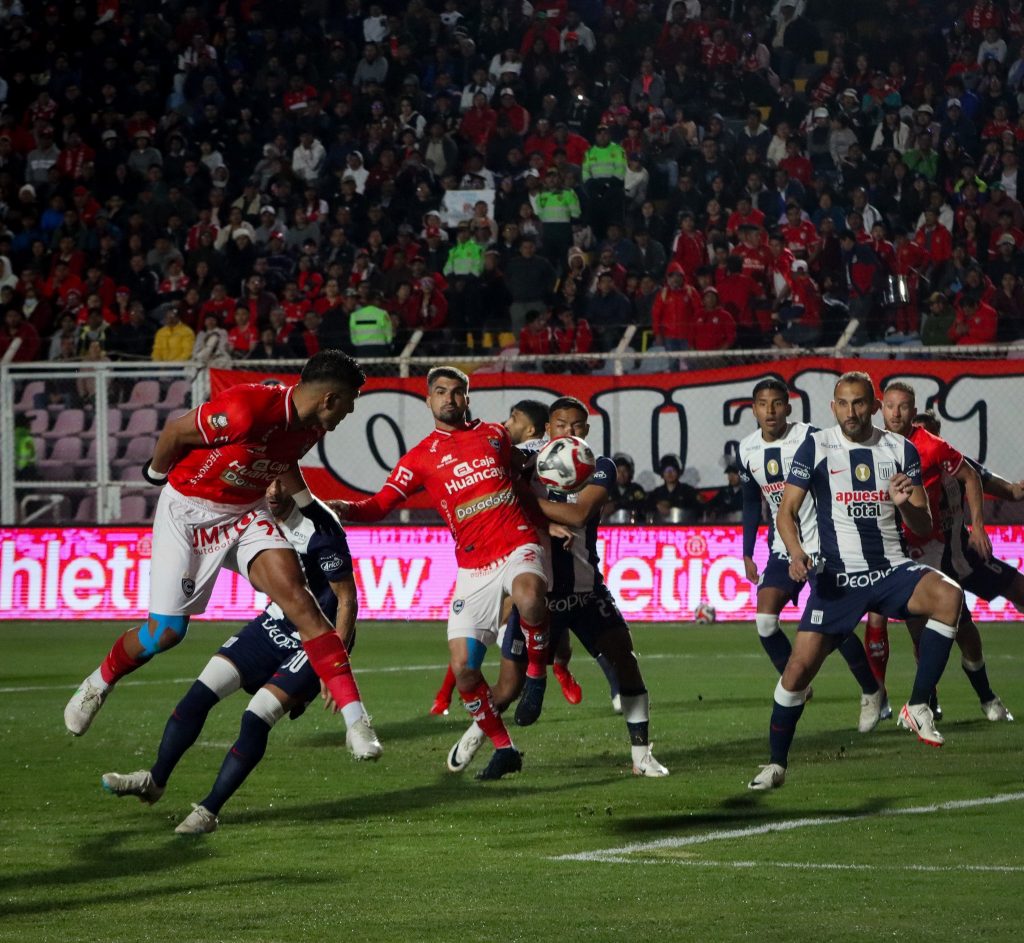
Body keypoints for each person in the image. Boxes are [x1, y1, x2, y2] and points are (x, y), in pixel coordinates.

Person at [63, 352, 382, 763]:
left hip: (246, 513)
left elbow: (283, 458)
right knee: (165, 634)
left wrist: (309, 506)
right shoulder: (248, 409)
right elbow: (176, 432)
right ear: (330, 399)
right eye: (350, 403)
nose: (350, 412)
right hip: (188, 512)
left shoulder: (312, 425)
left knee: (302, 604)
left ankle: (357, 722)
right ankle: (99, 681)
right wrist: (156, 475)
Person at [328, 367, 552, 780]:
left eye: (457, 392)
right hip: (473, 567)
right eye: (441, 392)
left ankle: (536, 675)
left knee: (529, 596)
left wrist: (549, 518)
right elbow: (380, 504)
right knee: (464, 669)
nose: (449, 398)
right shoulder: (420, 458)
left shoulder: (495, 435)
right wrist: (347, 509)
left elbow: (523, 482)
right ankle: (504, 748)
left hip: (517, 543)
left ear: (468, 398)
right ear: (429, 400)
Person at [100, 479, 359, 834]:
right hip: (272, 623)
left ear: (294, 484)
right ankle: (154, 780)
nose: (272, 491)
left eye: (280, 483)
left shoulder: (319, 526)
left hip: (315, 638)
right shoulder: (254, 517)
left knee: (256, 717)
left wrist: (333, 666)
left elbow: (347, 599)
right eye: (267, 483)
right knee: (198, 696)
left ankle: (208, 811)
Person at [749, 371, 964, 790]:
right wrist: (796, 552)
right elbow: (785, 512)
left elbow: (924, 524)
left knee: (949, 597)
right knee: (796, 671)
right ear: (833, 407)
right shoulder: (816, 446)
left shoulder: (900, 449)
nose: (851, 412)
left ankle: (918, 705)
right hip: (839, 576)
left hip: (890, 569)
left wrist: (905, 504)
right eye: (843, 404)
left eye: (860, 403)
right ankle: (776, 765)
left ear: (874, 406)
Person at [448, 397, 668, 777]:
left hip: (585, 592)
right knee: (507, 688)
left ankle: (641, 756)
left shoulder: (600, 467)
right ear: (548, 429)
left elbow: (579, 514)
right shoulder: (525, 464)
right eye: (561, 425)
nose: (569, 432)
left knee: (626, 662)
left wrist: (522, 500)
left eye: (577, 426)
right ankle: (477, 732)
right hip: (538, 597)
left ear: (587, 430)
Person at [737, 378, 888, 728]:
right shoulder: (746, 450)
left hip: (825, 545)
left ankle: (872, 691)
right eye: (763, 404)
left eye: (777, 403)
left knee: (834, 627)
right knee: (765, 621)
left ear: (788, 407)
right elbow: (750, 502)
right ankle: (797, 683)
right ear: (753, 409)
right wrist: (747, 551)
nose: (770, 410)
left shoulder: (810, 437)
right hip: (783, 546)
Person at [862, 383, 1014, 722]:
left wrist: (978, 525)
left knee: (963, 629)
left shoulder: (933, 447)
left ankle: (986, 697)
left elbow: (974, 476)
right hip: (893, 552)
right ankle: (915, 701)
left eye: (903, 406)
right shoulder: (868, 445)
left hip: (937, 549)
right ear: (880, 408)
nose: (896, 413)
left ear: (913, 412)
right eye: (890, 406)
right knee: (912, 630)